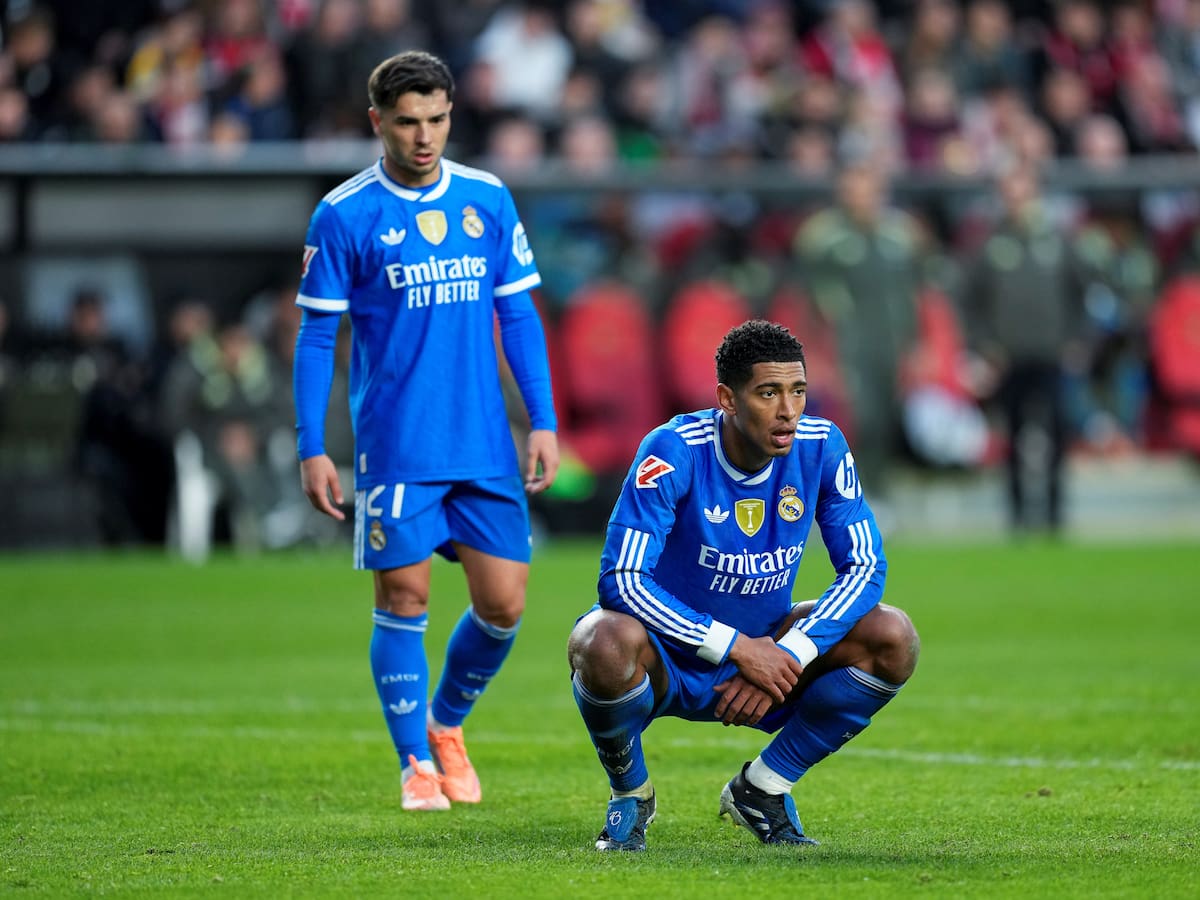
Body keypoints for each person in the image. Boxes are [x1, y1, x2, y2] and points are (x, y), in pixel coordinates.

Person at [292, 50, 559, 812]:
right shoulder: (344, 214)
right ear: (377, 122)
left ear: (451, 116)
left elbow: (517, 314)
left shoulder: (488, 198)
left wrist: (541, 420)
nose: (423, 137)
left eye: (436, 120)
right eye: (407, 122)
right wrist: (313, 443)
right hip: (398, 442)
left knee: (504, 603)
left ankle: (445, 725)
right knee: (405, 597)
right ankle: (415, 764)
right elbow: (317, 340)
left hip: (482, 441)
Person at [567, 320, 919, 851]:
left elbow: (865, 566)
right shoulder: (673, 450)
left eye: (798, 390)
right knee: (600, 639)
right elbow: (621, 579)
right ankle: (631, 794)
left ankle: (764, 788)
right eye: (769, 393)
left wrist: (788, 653)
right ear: (727, 398)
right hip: (672, 655)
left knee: (892, 635)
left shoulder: (822, 447)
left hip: (773, 657)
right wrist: (735, 648)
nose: (789, 410)